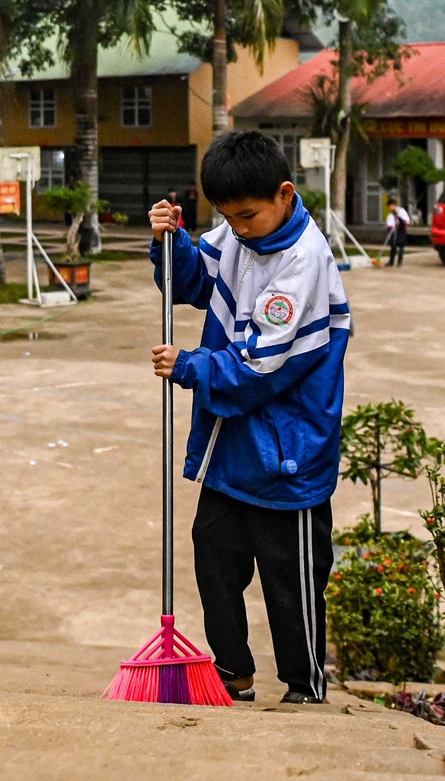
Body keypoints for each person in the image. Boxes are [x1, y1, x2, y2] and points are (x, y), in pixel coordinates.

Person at [149, 130, 348, 705]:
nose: (237, 227)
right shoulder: (240, 236)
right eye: (227, 218)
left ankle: (305, 686)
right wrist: (173, 241)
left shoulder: (303, 261)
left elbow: (259, 367)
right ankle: (232, 670)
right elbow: (192, 279)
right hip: (234, 446)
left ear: (285, 195)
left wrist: (189, 366)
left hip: (289, 457)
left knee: (291, 585)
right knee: (213, 553)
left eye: (246, 216)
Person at [382, 198, 410, 267]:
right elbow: (390, 222)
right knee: (393, 245)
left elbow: (406, 221)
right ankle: (391, 261)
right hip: (394, 231)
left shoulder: (401, 211)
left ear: (394, 205)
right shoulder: (391, 214)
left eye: (391, 206)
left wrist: (399, 220)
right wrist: (390, 227)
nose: (390, 207)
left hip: (401, 230)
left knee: (401, 246)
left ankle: (400, 262)